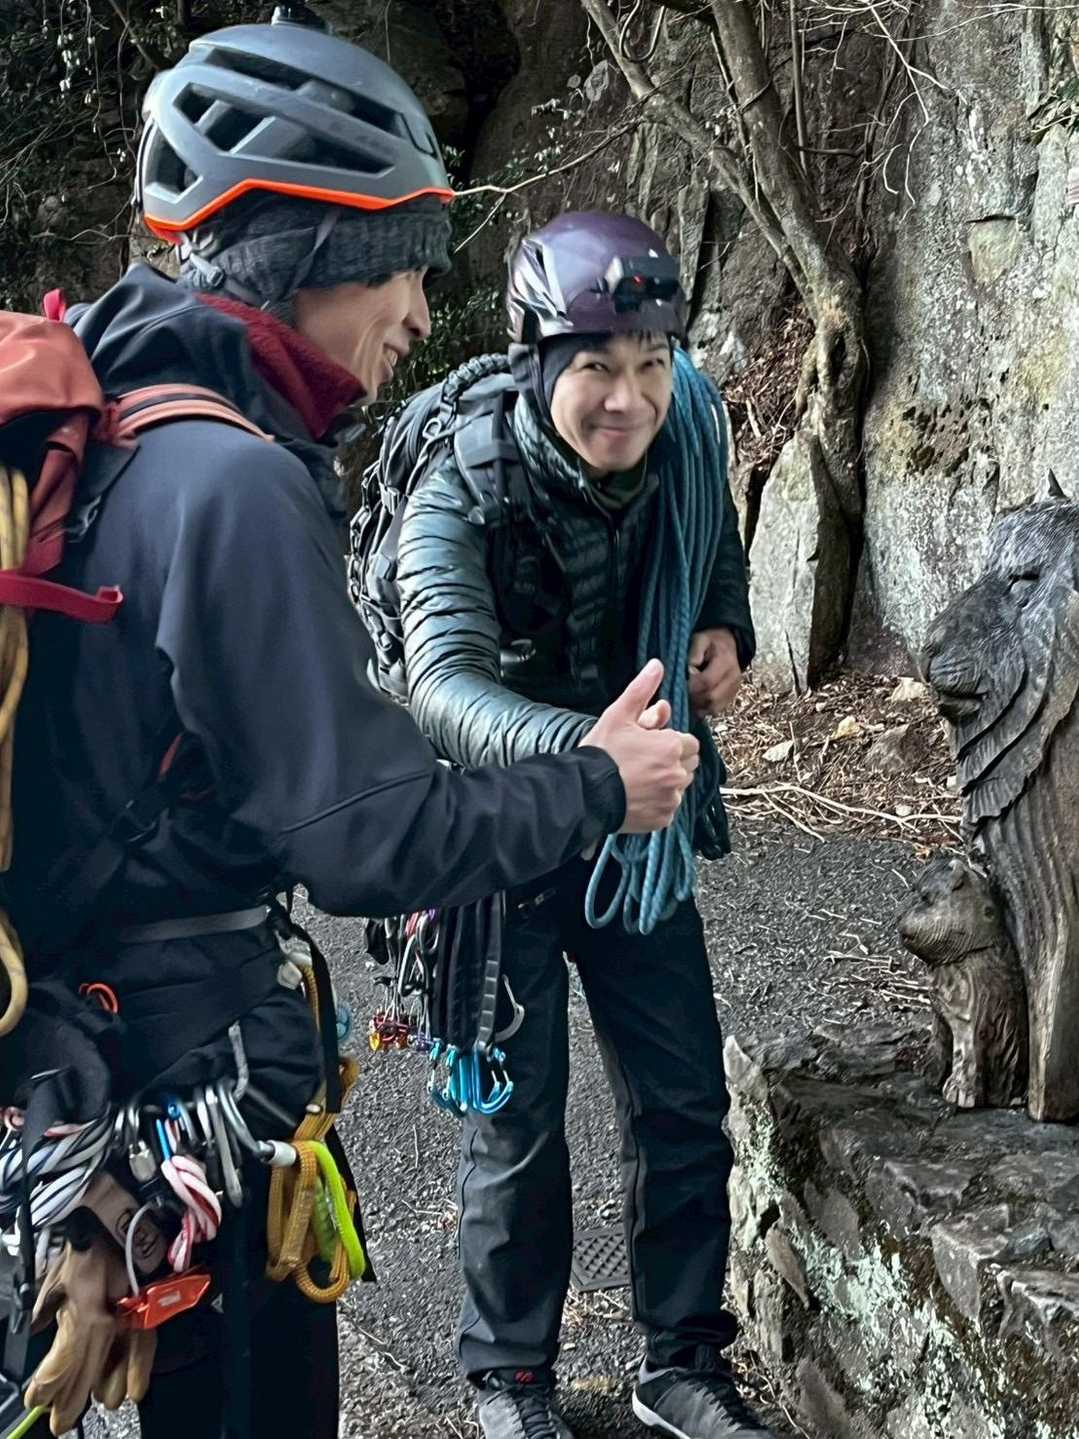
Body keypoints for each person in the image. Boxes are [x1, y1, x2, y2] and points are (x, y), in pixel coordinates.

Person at [1, 16, 699, 1438]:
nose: (419, 312)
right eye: (401, 264)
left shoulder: (117, 416)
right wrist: (595, 783)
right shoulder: (233, 482)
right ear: (312, 253)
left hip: (70, 1049)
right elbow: (367, 836)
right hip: (195, 1086)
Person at [393, 212, 776, 1439]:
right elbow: (440, 684)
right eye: (598, 366)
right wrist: (591, 759)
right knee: (515, 1122)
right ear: (537, 361)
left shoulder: (682, 435)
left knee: (681, 1099)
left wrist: (720, 621)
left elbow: (708, 531)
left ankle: (681, 1361)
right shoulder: (461, 485)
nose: (629, 398)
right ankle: (511, 1380)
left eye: (651, 363)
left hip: (632, 839)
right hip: (500, 840)